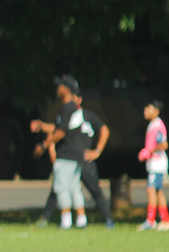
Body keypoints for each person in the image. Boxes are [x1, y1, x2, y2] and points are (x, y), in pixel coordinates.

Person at [37, 96, 115, 229]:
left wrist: (97, 150)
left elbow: (60, 131)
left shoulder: (82, 116)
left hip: (77, 158)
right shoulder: (68, 115)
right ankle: (72, 220)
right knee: (66, 189)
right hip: (75, 158)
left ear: (79, 99)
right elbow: (57, 129)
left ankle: (73, 220)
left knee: (69, 189)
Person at [33, 75, 88, 229]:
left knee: (62, 186)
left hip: (67, 153)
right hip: (76, 153)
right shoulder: (74, 108)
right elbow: (60, 128)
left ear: (67, 89)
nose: (58, 88)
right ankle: (81, 219)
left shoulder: (68, 107)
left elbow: (61, 132)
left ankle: (66, 220)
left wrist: (44, 145)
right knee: (74, 187)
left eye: (60, 86)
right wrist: (42, 126)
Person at [137, 100, 169, 231]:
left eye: (149, 108)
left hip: (157, 163)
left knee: (151, 189)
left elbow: (164, 144)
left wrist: (149, 151)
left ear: (156, 111)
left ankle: (150, 220)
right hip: (154, 162)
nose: (145, 111)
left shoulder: (157, 125)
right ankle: (165, 220)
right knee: (158, 191)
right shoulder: (152, 124)